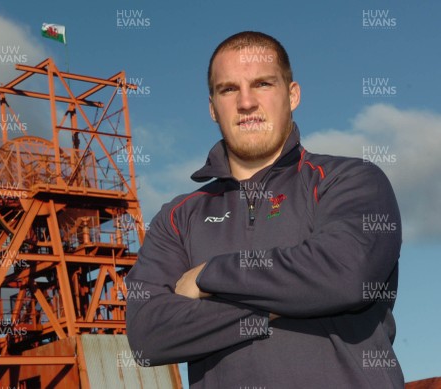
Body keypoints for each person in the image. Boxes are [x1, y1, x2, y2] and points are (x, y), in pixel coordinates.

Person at [125, 31, 403, 388]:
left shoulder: (350, 180)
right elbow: (148, 334)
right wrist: (294, 299)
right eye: (228, 89)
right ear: (212, 108)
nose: (246, 102)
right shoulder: (178, 217)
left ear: (292, 95)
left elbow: (347, 275)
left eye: (262, 84)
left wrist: (209, 275)